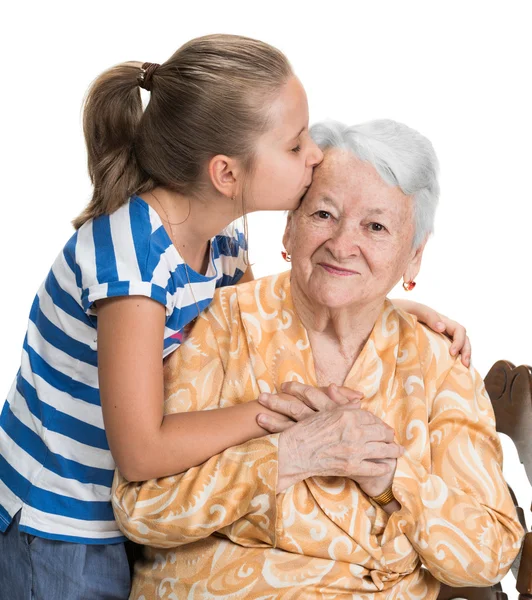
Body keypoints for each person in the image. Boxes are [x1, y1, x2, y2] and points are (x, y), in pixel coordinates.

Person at [0, 34, 468, 599]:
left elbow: (261, 323)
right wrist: (276, 417)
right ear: (227, 175)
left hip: (126, 513)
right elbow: (142, 449)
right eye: (295, 147)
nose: (315, 154)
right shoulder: (133, 265)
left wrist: (383, 307)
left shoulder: (219, 240)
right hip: (62, 524)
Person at [113, 119, 523, 600]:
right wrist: (285, 457)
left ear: (414, 256)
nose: (343, 244)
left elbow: (491, 549)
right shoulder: (223, 323)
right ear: (290, 225)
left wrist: (390, 478)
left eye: (375, 226)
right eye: (324, 214)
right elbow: (140, 507)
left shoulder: (438, 361)